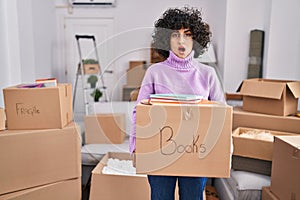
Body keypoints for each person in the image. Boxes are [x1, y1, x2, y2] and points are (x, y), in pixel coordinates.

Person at [129, 6, 225, 200]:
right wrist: (135, 146)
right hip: (159, 152)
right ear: (167, 40)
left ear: (196, 39)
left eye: (187, 35)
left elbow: (222, 115)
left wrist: (225, 150)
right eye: (175, 35)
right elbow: (139, 112)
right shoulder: (155, 72)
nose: (181, 41)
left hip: (196, 153)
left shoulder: (208, 75)